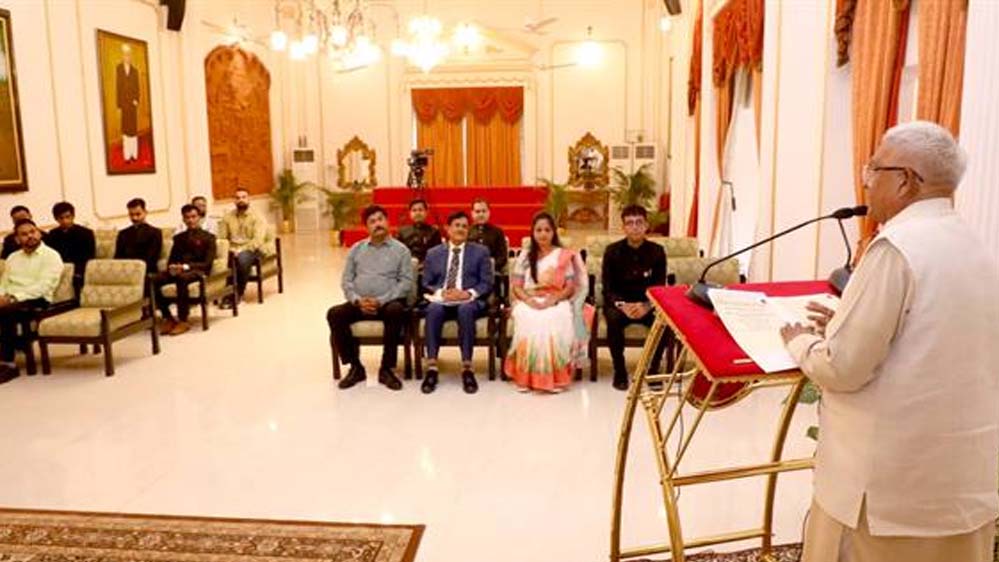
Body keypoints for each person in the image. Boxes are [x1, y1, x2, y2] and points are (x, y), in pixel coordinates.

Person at [780, 121, 999, 562]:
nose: (866, 181)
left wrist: (801, 342)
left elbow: (842, 368)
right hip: (959, 482)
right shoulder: (975, 243)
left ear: (905, 181)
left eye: (874, 168)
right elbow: (937, 335)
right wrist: (847, 322)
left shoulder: (896, 248)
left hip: (886, 493)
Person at [327, 205, 413, 391]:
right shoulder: (356, 249)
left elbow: (405, 283)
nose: (377, 224)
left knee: (396, 310)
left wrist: (381, 300)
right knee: (335, 314)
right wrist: (357, 300)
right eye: (372, 221)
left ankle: (386, 368)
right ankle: (355, 367)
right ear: (366, 227)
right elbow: (346, 281)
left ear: (387, 222)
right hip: (360, 303)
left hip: (388, 303)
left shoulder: (401, 250)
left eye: (380, 219)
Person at [504, 212, 591, 392]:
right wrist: (529, 300)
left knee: (554, 318)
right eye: (539, 230)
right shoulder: (525, 256)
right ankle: (526, 378)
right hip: (529, 299)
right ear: (533, 232)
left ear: (553, 232)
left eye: (547, 230)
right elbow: (517, 287)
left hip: (557, 299)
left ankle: (556, 379)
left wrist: (554, 299)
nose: (543, 234)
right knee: (530, 318)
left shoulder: (563, 256)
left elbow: (570, 287)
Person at [420, 211, 493, 395]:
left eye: (464, 226)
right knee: (433, 309)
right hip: (442, 299)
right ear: (448, 229)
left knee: (465, 310)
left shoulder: (480, 252)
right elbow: (426, 282)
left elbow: (486, 283)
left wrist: (467, 293)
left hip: (468, 300)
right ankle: (432, 367)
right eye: (457, 226)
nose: (461, 229)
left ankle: (467, 367)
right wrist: (442, 292)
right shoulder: (433, 253)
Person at [601, 205, 668, 390]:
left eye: (639, 222)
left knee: (663, 321)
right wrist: (622, 305)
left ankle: (653, 371)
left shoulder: (657, 251)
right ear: (623, 227)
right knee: (613, 319)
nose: (635, 227)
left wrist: (646, 305)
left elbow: (659, 286)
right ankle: (620, 371)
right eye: (630, 223)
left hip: (647, 303)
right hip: (620, 304)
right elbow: (608, 288)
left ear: (646, 225)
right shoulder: (612, 251)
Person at [0, 219, 64, 383]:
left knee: (5, 313)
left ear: (39, 233)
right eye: (24, 234)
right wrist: (2, 296)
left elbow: (43, 287)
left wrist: (13, 298)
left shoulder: (51, 256)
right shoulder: (13, 258)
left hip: (36, 299)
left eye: (33, 232)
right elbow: (4, 283)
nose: (30, 236)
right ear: (17, 239)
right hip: (12, 299)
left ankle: (9, 364)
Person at [154, 204, 216, 336]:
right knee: (154, 279)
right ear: (183, 219)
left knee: (181, 278)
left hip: (198, 271)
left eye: (193, 217)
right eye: (187, 217)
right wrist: (172, 268)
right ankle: (168, 317)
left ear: (199, 217)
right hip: (179, 270)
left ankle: (183, 320)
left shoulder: (209, 238)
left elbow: (207, 264)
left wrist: (185, 267)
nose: (190, 220)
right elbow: (171, 259)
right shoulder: (178, 238)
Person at [217, 187, 266, 307]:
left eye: (244, 197)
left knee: (242, 259)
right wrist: (230, 250)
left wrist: (241, 250)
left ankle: (237, 294)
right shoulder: (227, 217)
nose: (241, 200)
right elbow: (222, 238)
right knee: (223, 261)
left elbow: (258, 240)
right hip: (232, 249)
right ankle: (226, 294)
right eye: (238, 198)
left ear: (249, 199)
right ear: (234, 200)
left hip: (252, 250)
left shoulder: (257, 216)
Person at [43, 201, 95, 295]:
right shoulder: (52, 235)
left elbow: (89, 256)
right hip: (59, 270)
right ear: (56, 219)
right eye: (61, 218)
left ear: (73, 216)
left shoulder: (86, 233)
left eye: (68, 217)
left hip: (80, 270)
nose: (65, 221)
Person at [114, 198, 162, 275]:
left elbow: (151, 259)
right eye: (131, 215)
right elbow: (117, 258)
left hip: (146, 273)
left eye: (138, 214)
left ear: (145, 213)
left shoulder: (155, 233)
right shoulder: (123, 234)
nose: (134, 218)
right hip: (125, 273)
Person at [468, 198, 508, 274]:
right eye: (477, 211)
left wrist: (489, 266)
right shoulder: (467, 232)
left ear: (489, 212)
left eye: (484, 211)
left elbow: (502, 258)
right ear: (472, 213)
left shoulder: (497, 232)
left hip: (492, 272)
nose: (481, 214)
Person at [397, 198, 441, 263]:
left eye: (420, 210)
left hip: (428, 265)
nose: (417, 213)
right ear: (409, 213)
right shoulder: (402, 232)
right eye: (414, 210)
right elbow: (398, 253)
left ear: (426, 212)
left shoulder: (434, 232)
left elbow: (438, 254)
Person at [116, 43, 140, 162]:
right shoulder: (119, 68)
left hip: (132, 104)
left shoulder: (135, 71)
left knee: (133, 130)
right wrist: (119, 104)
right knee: (125, 130)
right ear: (123, 56)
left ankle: (134, 155)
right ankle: (126, 156)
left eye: (129, 54)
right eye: (125, 54)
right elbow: (118, 86)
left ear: (131, 56)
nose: (127, 57)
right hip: (124, 104)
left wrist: (137, 99)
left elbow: (137, 87)